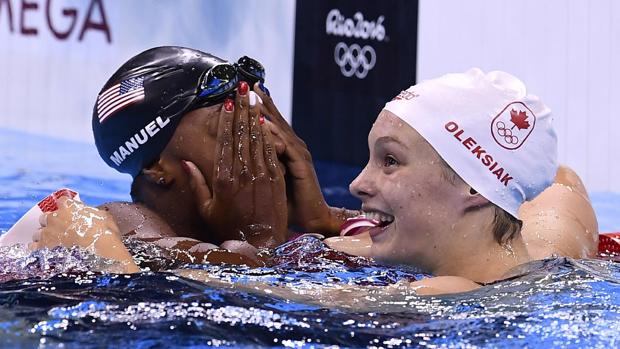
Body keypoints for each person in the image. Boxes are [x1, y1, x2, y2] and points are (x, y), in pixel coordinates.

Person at [33, 68, 598, 296]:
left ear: (476, 187)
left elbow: (249, 296)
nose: (355, 183)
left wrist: (103, 248)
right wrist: (328, 223)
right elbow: (561, 181)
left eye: (390, 161)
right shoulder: (549, 247)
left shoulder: (443, 293)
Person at [86, 46, 353, 265]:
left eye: (262, 121)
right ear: (157, 167)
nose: (277, 145)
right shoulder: (116, 228)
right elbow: (256, 307)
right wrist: (260, 239)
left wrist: (326, 220)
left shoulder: (299, 228)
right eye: (235, 131)